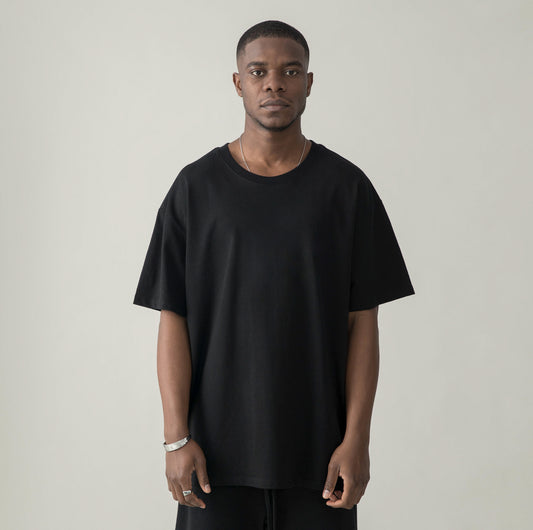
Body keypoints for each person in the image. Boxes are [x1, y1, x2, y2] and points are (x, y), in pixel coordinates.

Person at [133, 19, 415, 530]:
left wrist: (357, 440)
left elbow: (363, 324)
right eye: (259, 71)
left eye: (290, 71)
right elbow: (173, 318)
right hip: (212, 462)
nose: (274, 84)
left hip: (321, 461)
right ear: (238, 82)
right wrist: (176, 439)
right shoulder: (195, 190)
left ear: (309, 82)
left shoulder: (346, 190)